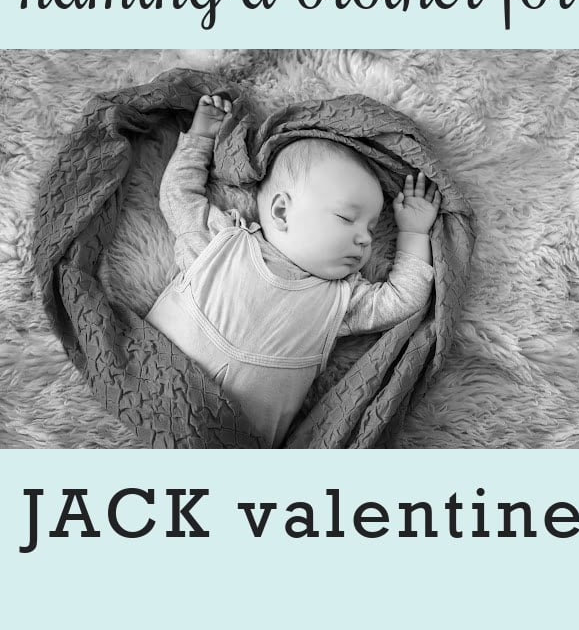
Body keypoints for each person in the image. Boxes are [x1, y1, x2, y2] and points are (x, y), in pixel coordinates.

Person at [147, 94, 441, 446]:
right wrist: (201, 138)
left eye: (372, 228)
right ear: (282, 212)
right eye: (347, 217)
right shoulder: (222, 242)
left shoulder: (340, 301)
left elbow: (404, 299)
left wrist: (413, 233)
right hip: (150, 381)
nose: (365, 238)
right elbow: (178, 196)